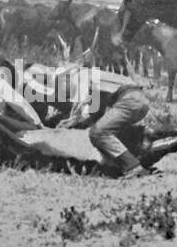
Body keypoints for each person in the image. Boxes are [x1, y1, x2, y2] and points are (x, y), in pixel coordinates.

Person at [22, 61, 153, 178]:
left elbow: (83, 110)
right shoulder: (80, 76)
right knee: (102, 130)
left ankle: (134, 167)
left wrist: (69, 122)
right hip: (136, 100)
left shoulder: (76, 76)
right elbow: (92, 112)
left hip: (130, 99)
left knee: (98, 133)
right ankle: (148, 142)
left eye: (42, 80)